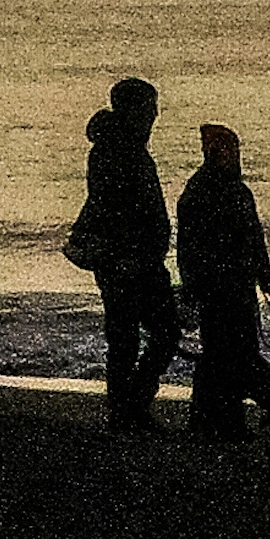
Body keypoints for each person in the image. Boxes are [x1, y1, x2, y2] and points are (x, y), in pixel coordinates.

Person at [74, 77, 178, 432]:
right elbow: (114, 208)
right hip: (130, 261)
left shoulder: (120, 147)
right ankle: (129, 408)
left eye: (154, 107)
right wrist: (134, 255)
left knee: (132, 337)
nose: (154, 115)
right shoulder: (118, 151)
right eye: (149, 107)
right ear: (132, 110)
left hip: (130, 258)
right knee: (152, 335)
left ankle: (127, 408)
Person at [176, 122, 270, 440]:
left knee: (224, 358)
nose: (225, 155)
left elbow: (253, 239)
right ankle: (265, 402)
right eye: (220, 149)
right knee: (226, 357)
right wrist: (192, 282)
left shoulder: (219, 190)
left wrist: (266, 277)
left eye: (227, 149)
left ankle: (219, 422)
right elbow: (191, 243)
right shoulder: (207, 190)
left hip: (233, 287)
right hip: (222, 288)